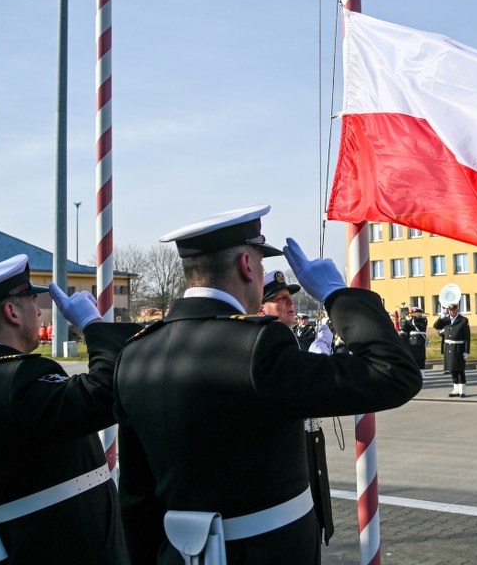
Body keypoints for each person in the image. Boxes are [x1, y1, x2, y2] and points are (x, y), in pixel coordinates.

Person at [112, 205, 422, 564]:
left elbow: (136, 499)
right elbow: (393, 373)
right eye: (260, 264)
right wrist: (337, 294)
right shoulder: (257, 346)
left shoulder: (134, 353)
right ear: (247, 264)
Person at [0, 254, 140, 564]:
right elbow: (108, 394)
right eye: (32, 302)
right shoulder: (20, 378)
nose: (40, 312)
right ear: (11, 311)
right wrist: (92, 325)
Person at [258, 269, 334, 560]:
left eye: (290, 297)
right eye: (279, 299)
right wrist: (318, 358)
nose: (290, 303)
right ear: (260, 307)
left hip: (309, 454)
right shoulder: (263, 345)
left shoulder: (292, 340)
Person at [433, 302, 470, 397]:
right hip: (448, 347)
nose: (451, 312)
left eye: (453, 310)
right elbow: (436, 326)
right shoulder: (446, 320)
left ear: (457, 310)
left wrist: (466, 351)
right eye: (450, 310)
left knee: (460, 370)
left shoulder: (463, 320)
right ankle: (455, 389)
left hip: (458, 348)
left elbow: (467, 337)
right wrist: (441, 317)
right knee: (452, 369)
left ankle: (462, 390)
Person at [399, 307, 428, 377]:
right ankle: (413, 373)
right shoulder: (411, 320)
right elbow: (405, 328)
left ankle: (422, 374)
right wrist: (405, 321)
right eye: (413, 313)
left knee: (420, 358)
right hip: (411, 341)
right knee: (413, 357)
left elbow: (417, 325)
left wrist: (410, 320)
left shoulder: (422, 320)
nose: (413, 314)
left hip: (419, 340)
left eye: (415, 313)